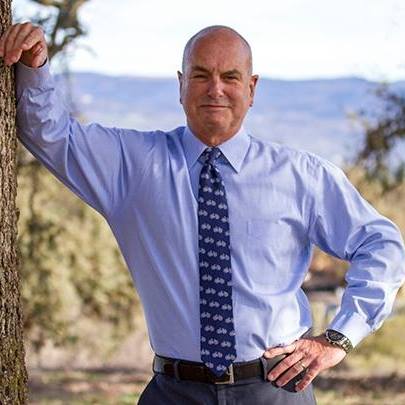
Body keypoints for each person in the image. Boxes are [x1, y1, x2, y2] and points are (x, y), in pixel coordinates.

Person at [1, 22, 405, 405]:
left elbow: (381, 243)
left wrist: (339, 338)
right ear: (181, 85)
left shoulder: (300, 175)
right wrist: (35, 66)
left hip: (276, 390)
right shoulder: (132, 166)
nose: (215, 89)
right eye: (200, 75)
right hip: (174, 393)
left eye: (230, 77)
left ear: (251, 88)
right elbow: (50, 134)